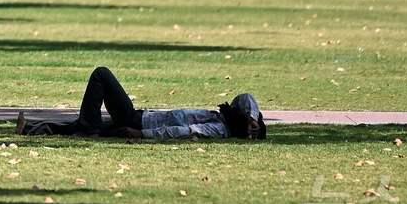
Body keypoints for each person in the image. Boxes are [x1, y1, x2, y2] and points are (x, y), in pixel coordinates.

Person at [16, 67, 268, 140]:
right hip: (140, 117)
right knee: (87, 125)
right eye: (251, 119)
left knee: (101, 75)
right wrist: (252, 117)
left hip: (137, 121)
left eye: (251, 124)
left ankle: (86, 127)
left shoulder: (220, 129)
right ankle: (30, 130)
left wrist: (141, 134)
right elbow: (245, 98)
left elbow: (183, 131)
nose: (249, 122)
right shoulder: (226, 117)